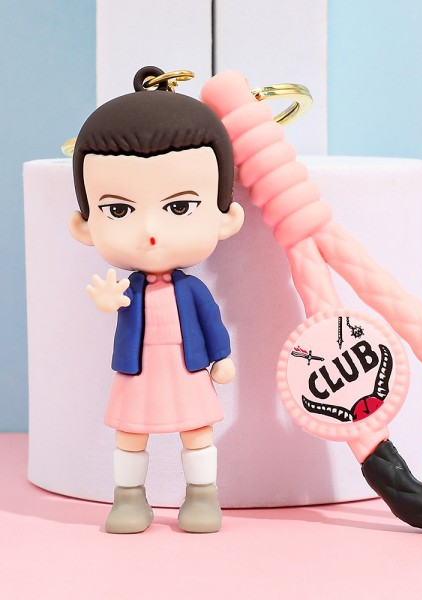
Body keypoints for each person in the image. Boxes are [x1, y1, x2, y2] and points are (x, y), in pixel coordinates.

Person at [68, 66, 244, 534]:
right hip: (138, 370)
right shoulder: (129, 290)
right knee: (130, 434)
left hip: (187, 368)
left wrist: (222, 357)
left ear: (226, 217)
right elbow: (119, 308)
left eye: (179, 207)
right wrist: (109, 303)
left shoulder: (192, 290)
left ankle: (202, 497)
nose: (149, 231)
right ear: (84, 225)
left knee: (197, 431)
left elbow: (211, 321)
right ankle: (129, 499)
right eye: (118, 210)